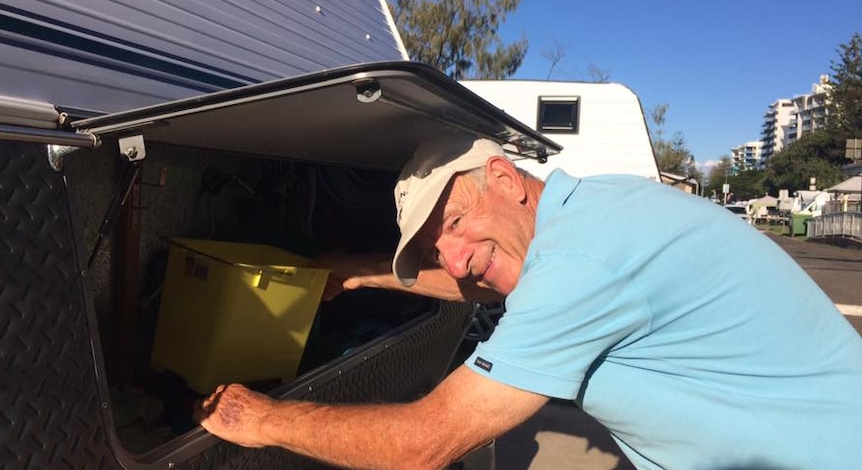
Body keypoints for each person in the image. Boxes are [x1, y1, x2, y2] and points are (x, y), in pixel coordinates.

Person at [196, 135, 862, 470]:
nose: (452, 258)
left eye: (451, 223)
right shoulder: (587, 213)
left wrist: (263, 420)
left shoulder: (581, 262)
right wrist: (358, 273)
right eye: (436, 248)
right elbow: (480, 276)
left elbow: (424, 444)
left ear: (504, 178)